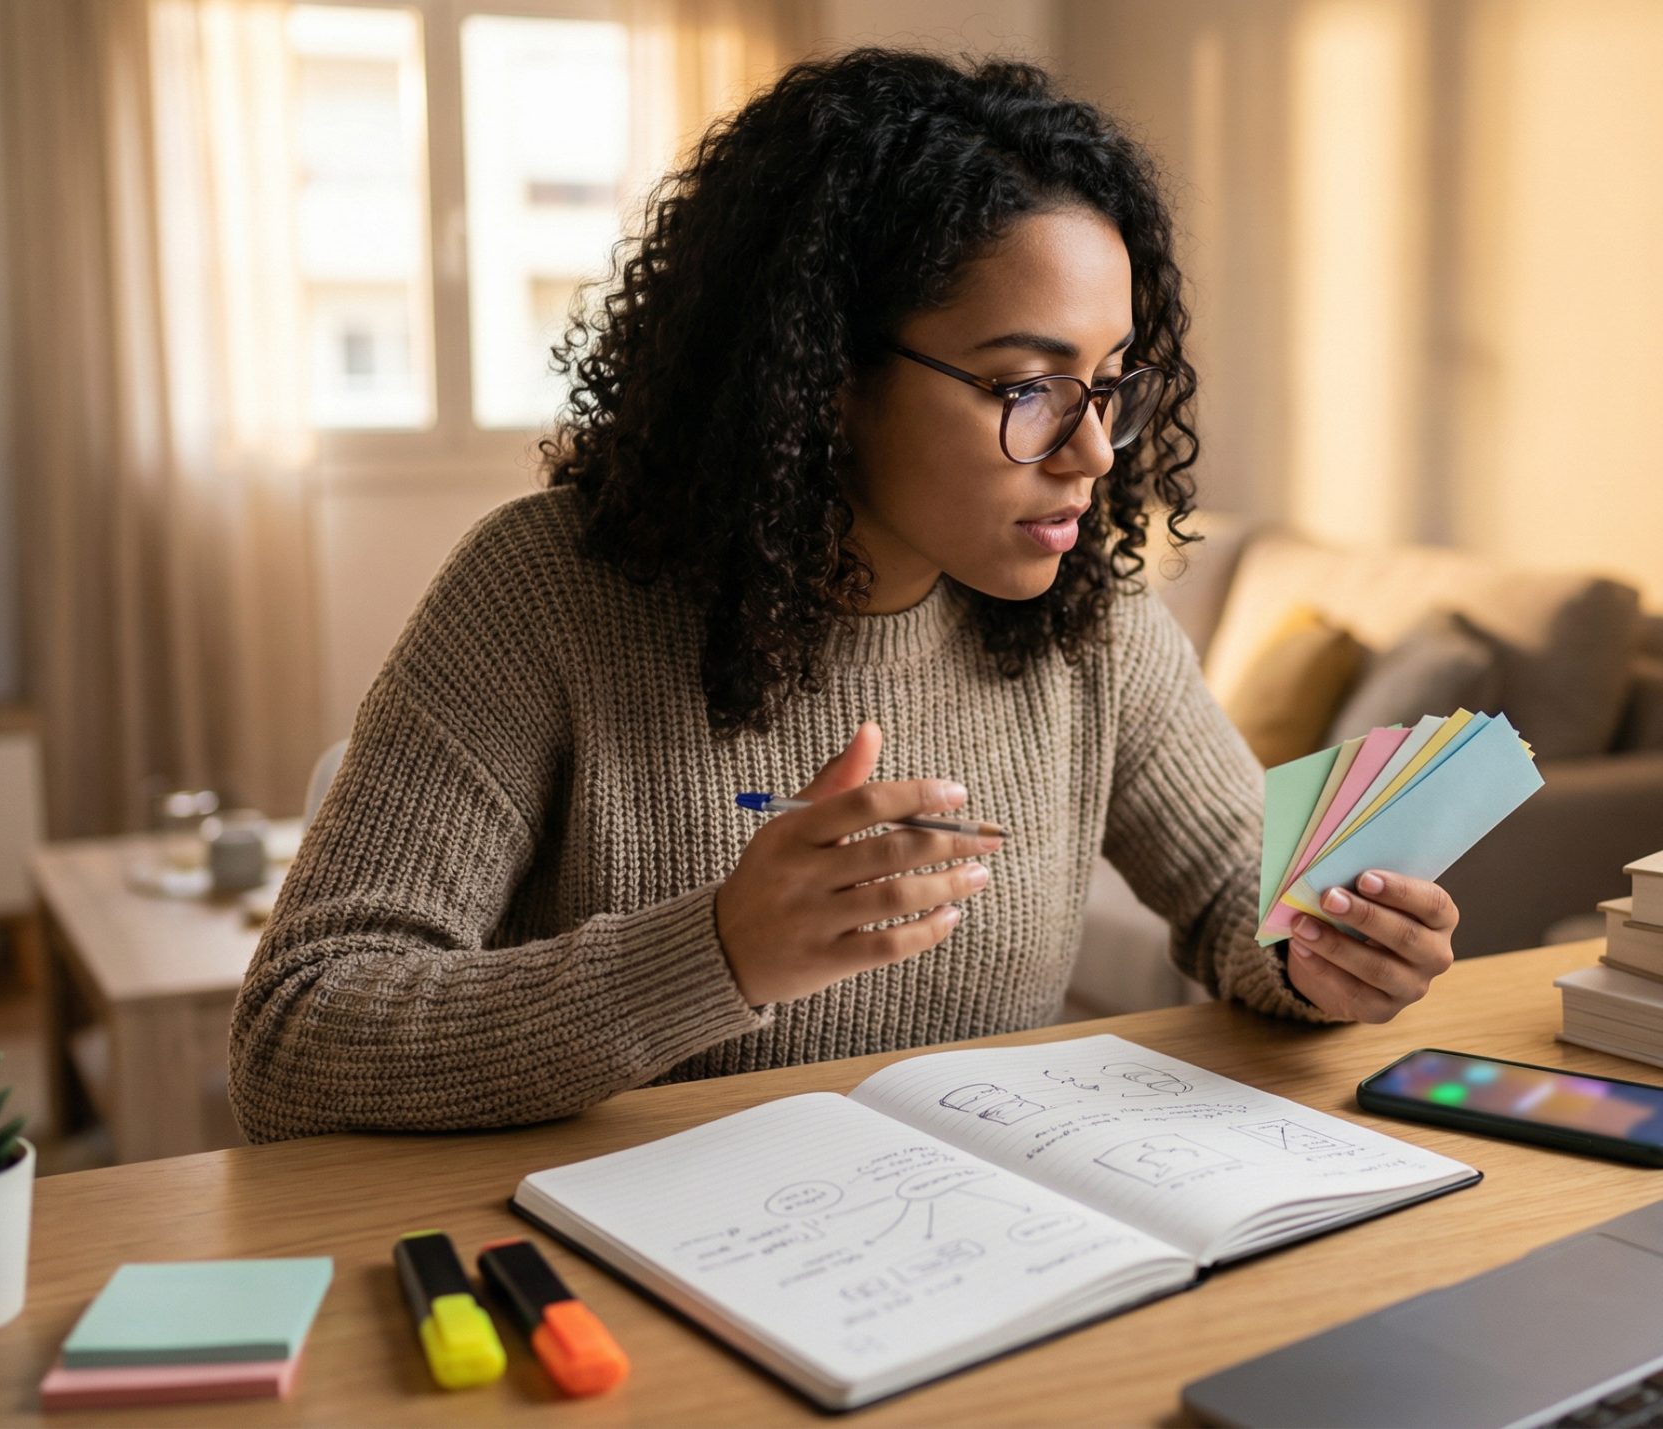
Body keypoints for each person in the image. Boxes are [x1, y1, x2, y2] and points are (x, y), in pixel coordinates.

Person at [225, 48, 1461, 1144]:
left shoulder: (1091, 625)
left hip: (962, 1272)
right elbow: (298, 1033)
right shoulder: (545, 593)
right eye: (1027, 387)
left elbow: (1242, 902)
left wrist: (1330, 953)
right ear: (822, 378)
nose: (1092, 452)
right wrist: (714, 952)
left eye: (1113, 384)